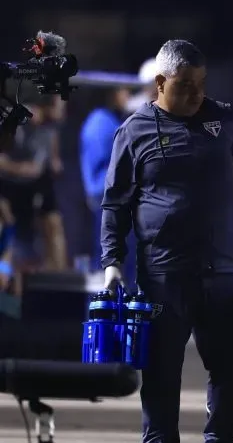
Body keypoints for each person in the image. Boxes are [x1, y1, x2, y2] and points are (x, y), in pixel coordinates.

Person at [100, 40, 233, 443]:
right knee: (161, 372)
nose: (195, 95)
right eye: (185, 86)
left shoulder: (221, 120)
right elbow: (115, 205)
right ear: (160, 83)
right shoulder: (134, 131)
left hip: (223, 272)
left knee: (227, 368)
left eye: (201, 85)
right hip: (163, 276)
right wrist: (112, 260)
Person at [80, 58, 159, 282]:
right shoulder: (100, 123)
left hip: (118, 204)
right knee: (111, 269)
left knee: (125, 269)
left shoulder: (112, 119)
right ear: (111, 93)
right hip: (110, 206)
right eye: (123, 89)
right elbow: (104, 172)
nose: (128, 94)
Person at [0, 91, 66, 271]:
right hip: (9, 185)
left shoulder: (51, 127)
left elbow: (49, 158)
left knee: (53, 223)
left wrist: (53, 161)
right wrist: (19, 168)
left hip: (34, 183)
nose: (63, 109)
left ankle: (59, 279)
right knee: (8, 229)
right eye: (60, 104)